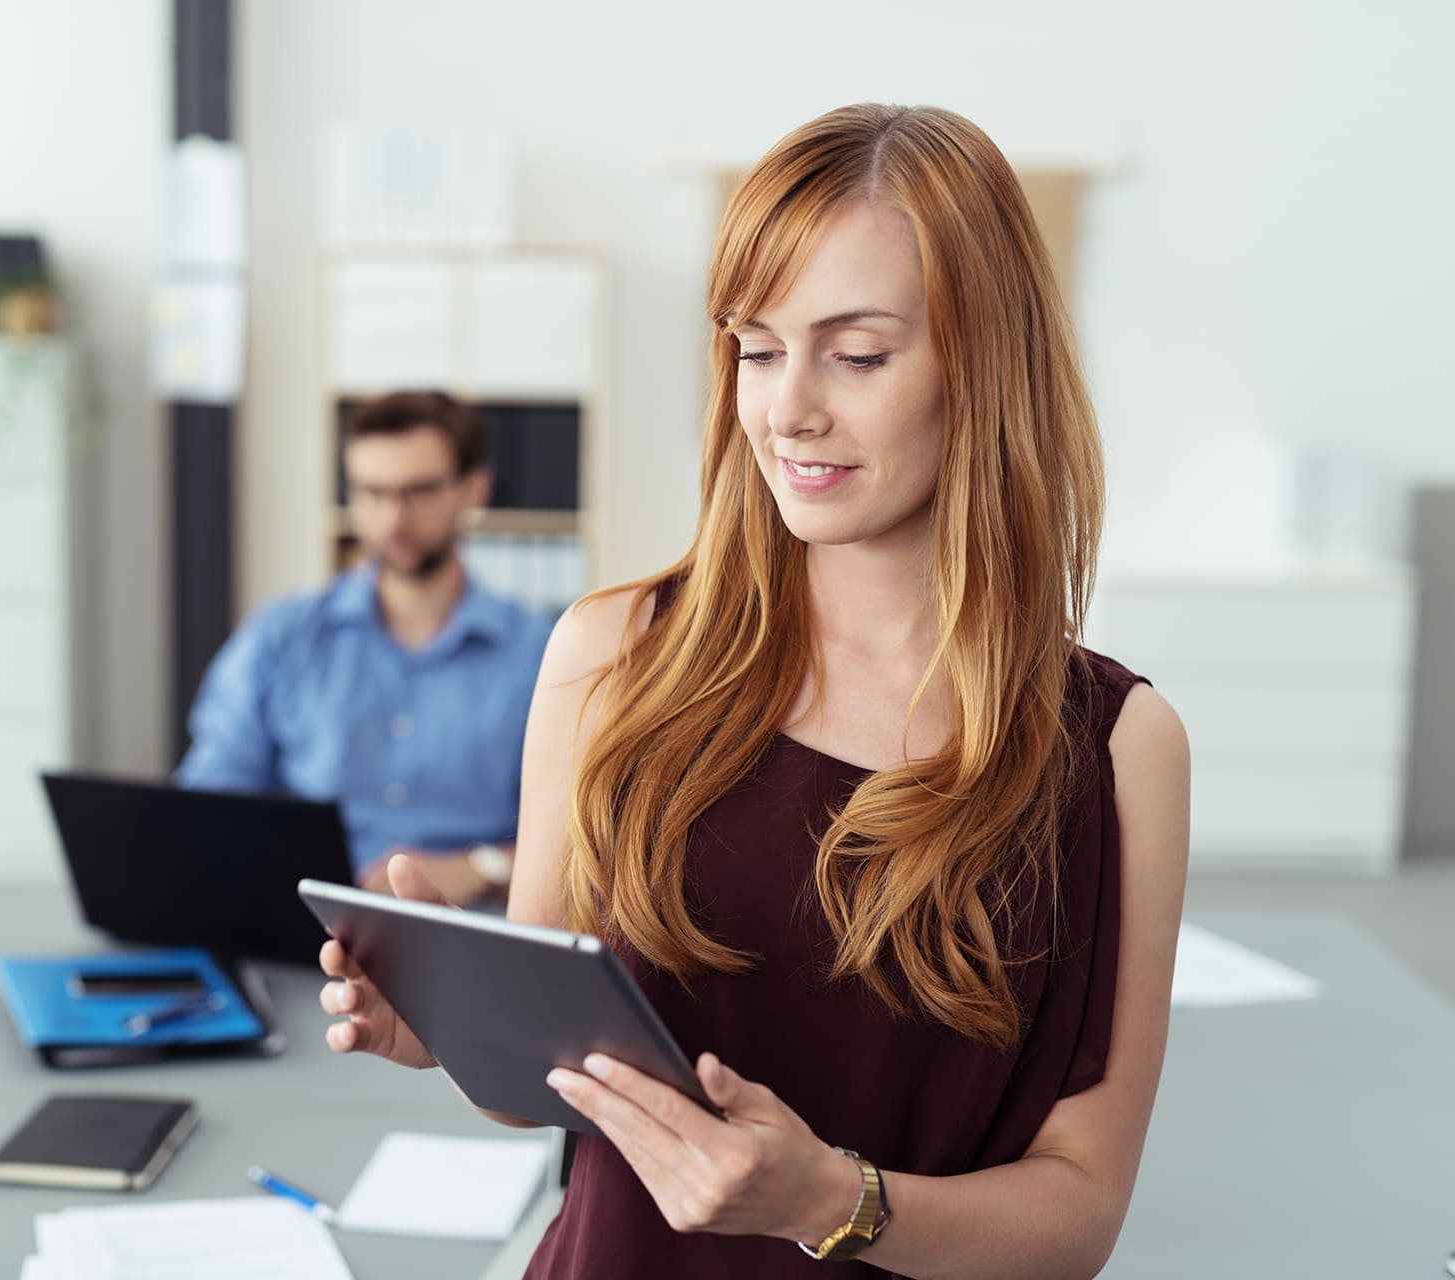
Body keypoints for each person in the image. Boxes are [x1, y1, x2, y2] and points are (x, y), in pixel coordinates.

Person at [318, 103, 1191, 1278]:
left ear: (986, 365)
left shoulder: (1119, 746)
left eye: (860, 354)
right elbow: (546, 1089)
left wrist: (832, 1197)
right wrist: (442, 1027)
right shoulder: (612, 653)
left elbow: (1079, 1213)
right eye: (759, 347)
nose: (789, 409)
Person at [175, 390, 552, 906]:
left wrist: (480, 866)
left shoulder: (542, 656)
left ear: (473, 489)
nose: (393, 519)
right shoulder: (281, 637)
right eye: (371, 493)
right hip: (301, 925)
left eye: (419, 492)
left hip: (471, 932)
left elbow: (581, 844)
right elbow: (207, 802)